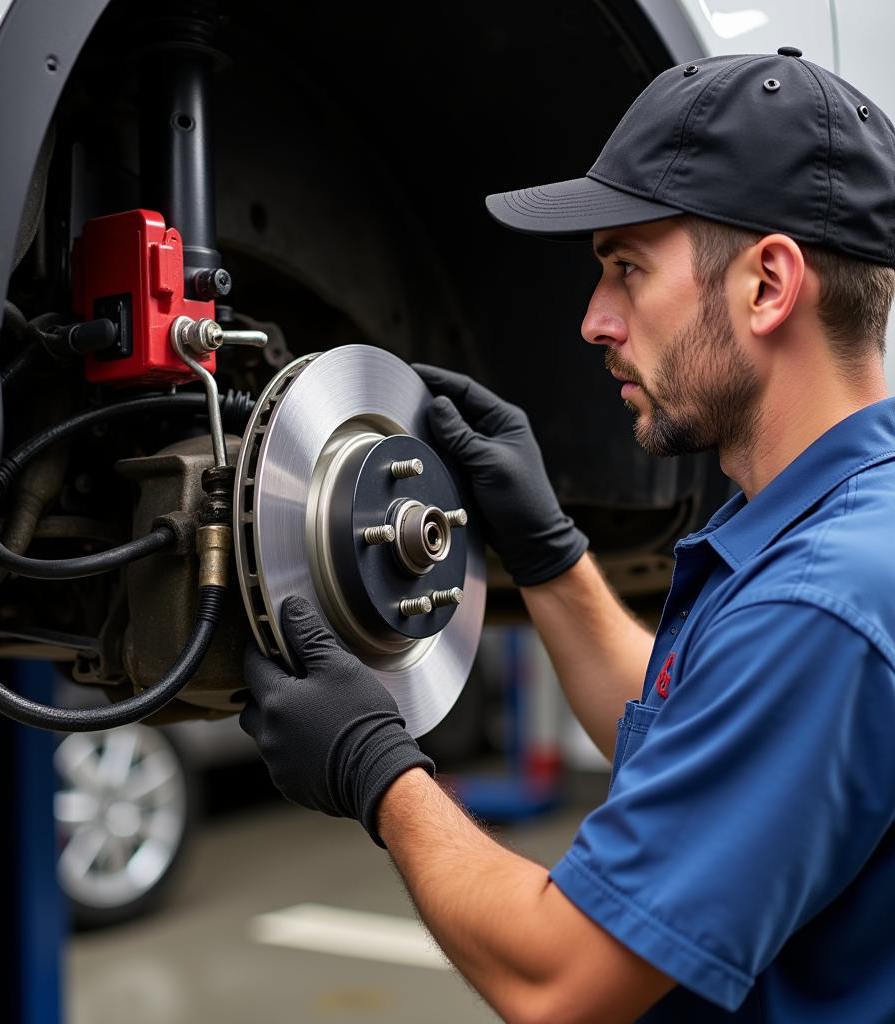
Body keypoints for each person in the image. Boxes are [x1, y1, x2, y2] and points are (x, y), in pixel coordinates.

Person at [239, 48, 895, 1022]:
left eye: (627, 269)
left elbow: (564, 978)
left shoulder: (823, 602)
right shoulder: (836, 529)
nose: (593, 320)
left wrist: (378, 771)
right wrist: (546, 552)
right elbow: (698, 734)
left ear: (767, 285)